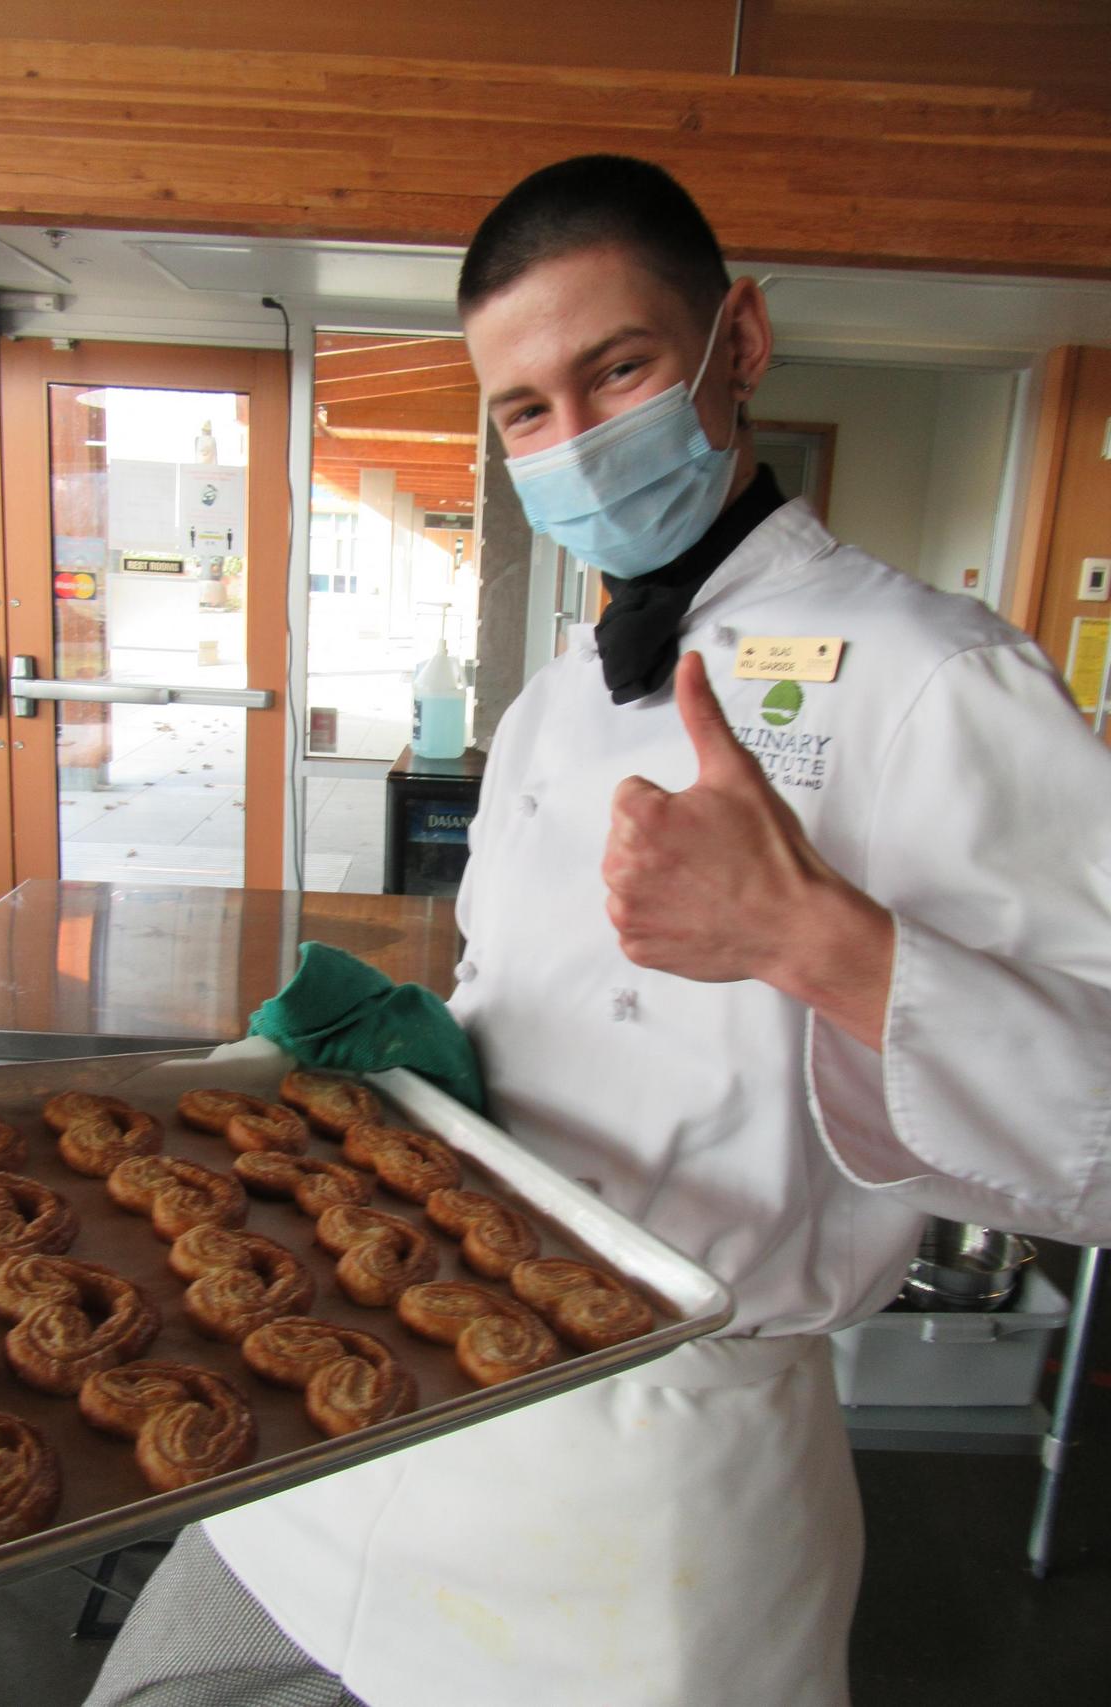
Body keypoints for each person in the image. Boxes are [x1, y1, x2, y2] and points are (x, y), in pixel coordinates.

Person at [86, 156, 1111, 1707]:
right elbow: (523, 1001)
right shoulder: (559, 697)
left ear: (738, 343)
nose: (574, 441)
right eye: (525, 409)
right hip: (405, 1366)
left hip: (653, 1483)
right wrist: (405, 1066)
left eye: (618, 370)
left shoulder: (937, 680)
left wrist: (814, 941)